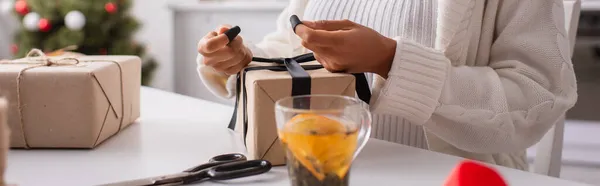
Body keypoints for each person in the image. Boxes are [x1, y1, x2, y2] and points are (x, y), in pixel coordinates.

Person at [195, 0, 578, 170]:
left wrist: (391, 62)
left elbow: (538, 96)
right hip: (324, 171)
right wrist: (244, 61)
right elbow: (290, 48)